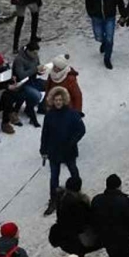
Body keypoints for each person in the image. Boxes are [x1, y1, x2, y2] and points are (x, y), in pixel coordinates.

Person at [41, 86, 86, 214]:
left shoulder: (72, 114)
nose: (58, 102)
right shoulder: (49, 116)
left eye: (60, 100)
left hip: (68, 150)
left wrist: (71, 142)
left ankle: (77, 194)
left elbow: (81, 130)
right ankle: (54, 200)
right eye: (56, 100)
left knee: (73, 171)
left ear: (64, 100)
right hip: (53, 151)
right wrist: (43, 150)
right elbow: (45, 134)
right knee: (54, 176)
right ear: (52, 101)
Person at [83, 0, 124, 70]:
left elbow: (119, 1)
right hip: (97, 17)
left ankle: (107, 58)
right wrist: (91, 13)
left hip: (110, 17)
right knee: (98, 36)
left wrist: (123, 14)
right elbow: (88, 1)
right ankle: (103, 43)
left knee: (110, 37)